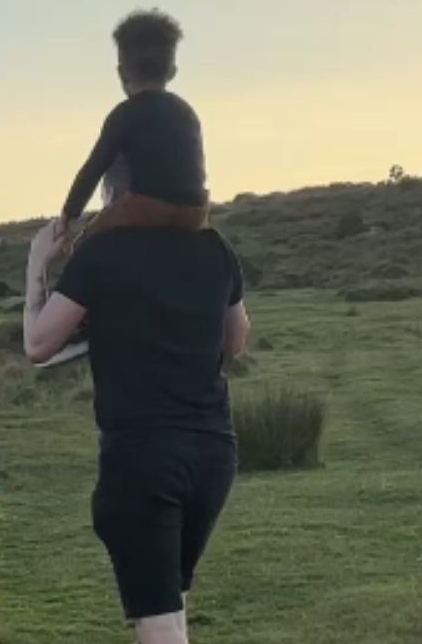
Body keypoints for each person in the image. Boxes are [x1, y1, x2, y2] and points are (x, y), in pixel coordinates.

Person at [21, 205, 249, 642]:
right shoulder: (214, 246)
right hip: (213, 453)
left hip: (142, 457)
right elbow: (235, 342)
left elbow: (38, 343)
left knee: (159, 622)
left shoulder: (102, 253)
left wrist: (38, 262)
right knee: (170, 600)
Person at [59, 8, 207, 240]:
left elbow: (94, 167)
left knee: (86, 246)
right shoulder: (186, 112)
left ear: (121, 73)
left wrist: (69, 214)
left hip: (143, 209)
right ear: (172, 71)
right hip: (194, 212)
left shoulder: (123, 114)